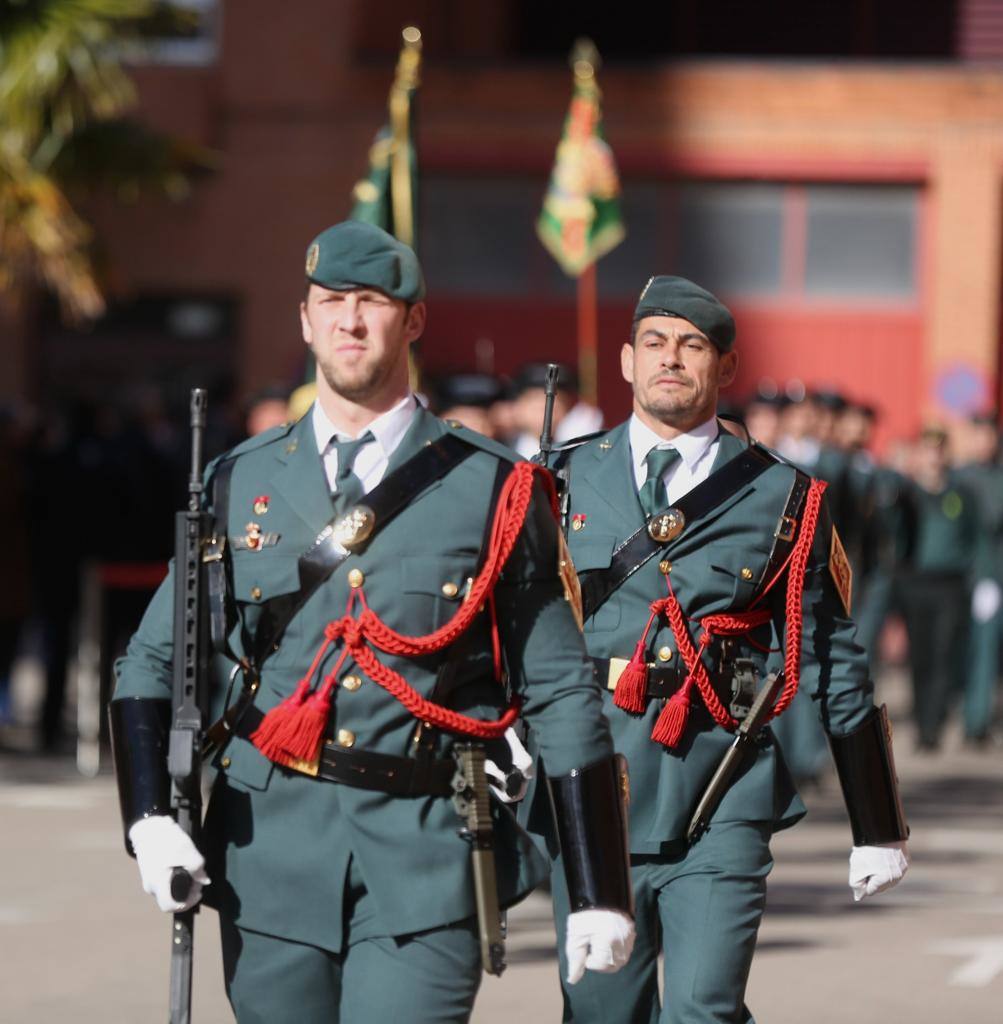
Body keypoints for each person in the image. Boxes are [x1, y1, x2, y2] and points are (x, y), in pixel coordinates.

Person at [109, 221, 635, 1022]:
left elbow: (560, 689)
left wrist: (598, 885)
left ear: (413, 320)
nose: (349, 322)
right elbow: (152, 660)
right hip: (269, 852)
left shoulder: (494, 487)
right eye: (331, 303)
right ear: (305, 319)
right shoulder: (235, 479)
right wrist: (148, 816)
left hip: (425, 855)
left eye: (370, 303)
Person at [532, 275, 909, 1024]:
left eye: (692, 345)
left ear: (724, 368)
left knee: (704, 1009)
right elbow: (512, 633)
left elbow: (832, 655)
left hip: (720, 783)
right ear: (625, 362)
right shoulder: (556, 480)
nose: (670, 359)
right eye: (654, 343)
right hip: (591, 783)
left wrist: (877, 826)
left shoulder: (784, 497)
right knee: (603, 1014)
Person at [897, 425, 987, 751]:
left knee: (944, 652)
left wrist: (975, 577)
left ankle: (935, 721)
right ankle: (923, 725)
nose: (934, 457)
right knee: (920, 656)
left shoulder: (959, 494)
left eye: (939, 450)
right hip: (916, 582)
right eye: (927, 449)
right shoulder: (906, 493)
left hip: (950, 583)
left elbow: (974, 537)